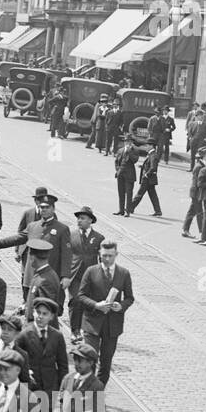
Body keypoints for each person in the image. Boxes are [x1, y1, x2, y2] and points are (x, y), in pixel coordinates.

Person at [73, 240, 134, 385]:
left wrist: (121, 306)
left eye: (110, 256)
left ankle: (98, 394)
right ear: (99, 254)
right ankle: (86, 392)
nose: (107, 259)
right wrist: (96, 305)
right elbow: (81, 296)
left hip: (112, 325)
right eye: (104, 256)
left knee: (106, 363)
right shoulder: (91, 271)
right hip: (91, 324)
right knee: (89, 360)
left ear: (116, 255)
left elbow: (130, 298)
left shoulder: (123, 273)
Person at [67, 208, 104, 342]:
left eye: (82, 218)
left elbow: (102, 259)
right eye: (78, 218)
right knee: (75, 301)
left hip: (90, 277)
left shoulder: (99, 238)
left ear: (90, 220)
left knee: (88, 304)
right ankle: (74, 330)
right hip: (74, 275)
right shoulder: (71, 235)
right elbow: (66, 255)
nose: (79, 221)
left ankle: (87, 329)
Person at [129, 145, 162, 217]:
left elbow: (153, 167)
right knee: (153, 195)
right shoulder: (151, 154)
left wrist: (147, 174)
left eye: (147, 146)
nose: (146, 147)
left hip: (148, 179)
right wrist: (143, 166)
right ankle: (158, 211)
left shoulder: (153, 155)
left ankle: (130, 207)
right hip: (150, 179)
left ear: (151, 146)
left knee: (140, 193)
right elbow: (149, 165)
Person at [112, 134, 139, 216]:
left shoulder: (135, 150)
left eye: (129, 141)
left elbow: (135, 160)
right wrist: (118, 170)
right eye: (126, 141)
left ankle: (128, 211)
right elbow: (116, 161)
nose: (127, 143)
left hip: (129, 175)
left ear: (131, 142)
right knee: (121, 193)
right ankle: (121, 210)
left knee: (129, 193)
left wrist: (129, 151)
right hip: (120, 174)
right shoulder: (120, 150)